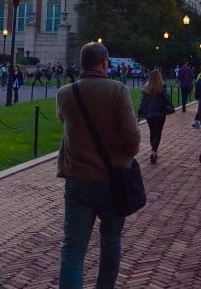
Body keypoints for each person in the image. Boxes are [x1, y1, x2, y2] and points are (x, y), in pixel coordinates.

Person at [56, 42, 141, 289]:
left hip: (78, 180)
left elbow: (63, 120)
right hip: (113, 180)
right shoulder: (118, 91)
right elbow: (132, 138)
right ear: (104, 63)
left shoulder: (65, 93)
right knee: (111, 244)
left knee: (73, 248)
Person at [137, 69, 174, 164]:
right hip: (160, 113)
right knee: (158, 132)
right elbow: (166, 99)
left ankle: (153, 150)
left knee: (152, 132)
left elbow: (143, 102)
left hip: (149, 114)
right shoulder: (162, 87)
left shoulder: (146, 88)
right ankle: (154, 151)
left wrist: (140, 114)